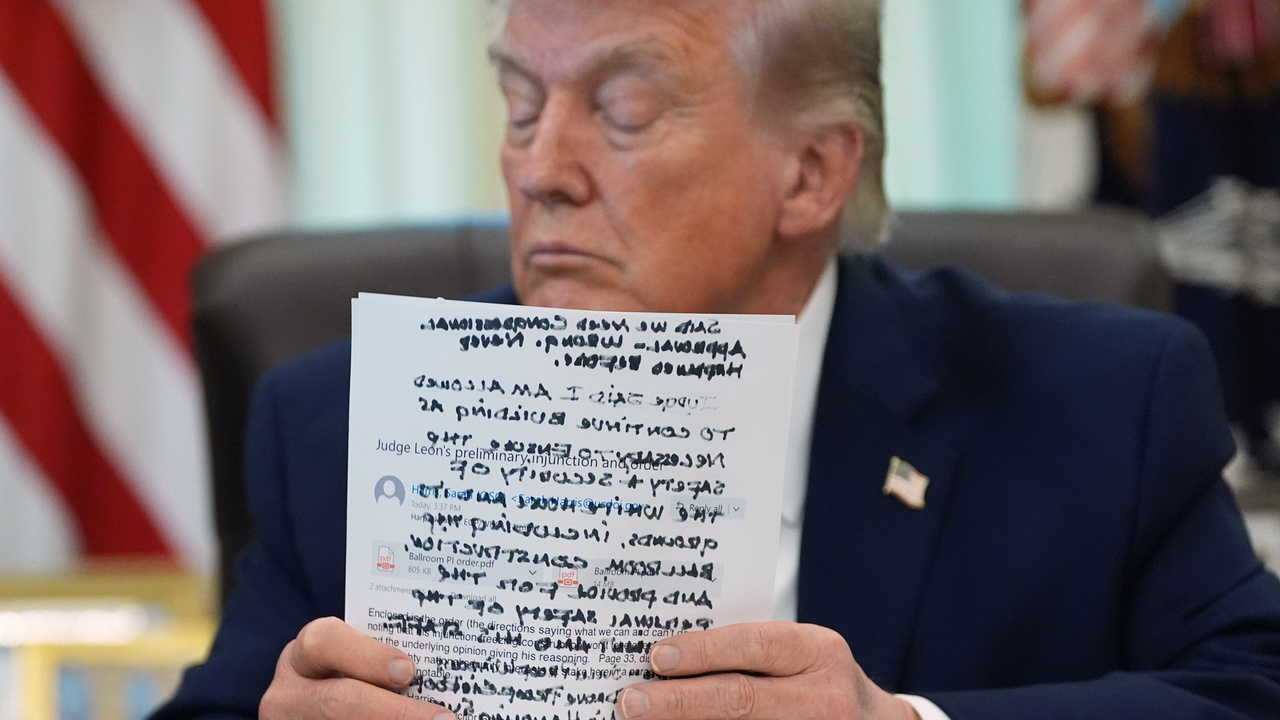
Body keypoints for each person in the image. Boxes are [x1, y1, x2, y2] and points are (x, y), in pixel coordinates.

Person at [153, 1, 1280, 719]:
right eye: (519, 103)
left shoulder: (1101, 405)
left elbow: (1250, 690)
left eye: (624, 111)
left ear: (812, 174)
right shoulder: (342, 423)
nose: (539, 169)